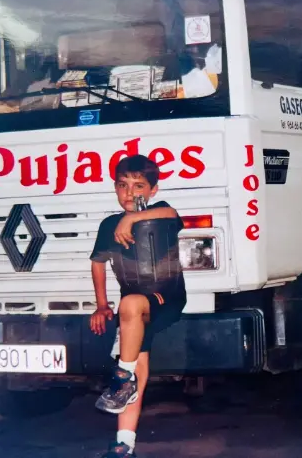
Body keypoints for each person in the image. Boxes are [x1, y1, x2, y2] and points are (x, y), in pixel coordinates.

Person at [89, 154, 187, 458]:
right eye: (123, 185)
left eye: (139, 186)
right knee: (137, 363)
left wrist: (131, 218)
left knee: (130, 305)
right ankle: (124, 445)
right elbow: (98, 263)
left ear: (153, 190)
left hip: (166, 298)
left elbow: (172, 213)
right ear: (115, 188)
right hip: (134, 313)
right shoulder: (108, 225)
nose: (130, 193)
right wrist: (101, 305)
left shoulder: (161, 213)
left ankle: (123, 376)